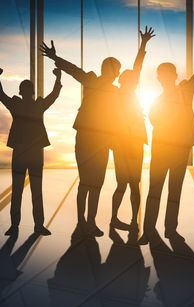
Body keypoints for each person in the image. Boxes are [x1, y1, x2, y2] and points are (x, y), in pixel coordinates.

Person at [40, 40, 121, 237]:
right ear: (109, 70)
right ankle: (83, 221)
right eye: (117, 70)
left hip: (100, 141)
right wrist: (55, 58)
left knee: (95, 183)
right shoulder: (93, 81)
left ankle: (88, 221)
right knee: (87, 182)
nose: (118, 74)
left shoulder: (114, 91)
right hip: (87, 139)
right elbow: (74, 70)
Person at [138, 37, 194, 244]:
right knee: (155, 189)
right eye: (160, 75)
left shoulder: (185, 90)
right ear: (159, 78)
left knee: (174, 190)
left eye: (166, 74)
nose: (163, 77)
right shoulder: (158, 100)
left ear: (174, 76)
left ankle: (170, 229)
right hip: (162, 147)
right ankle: (150, 230)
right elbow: (154, 120)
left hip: (179, 148)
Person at [0, 67, 62, 236]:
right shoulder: (37, 105)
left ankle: (16, 226)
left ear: (22, 91)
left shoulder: (17, 104)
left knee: (18, 191)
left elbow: (1, 95)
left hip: (22, 152)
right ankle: (36, 226)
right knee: (34, 191)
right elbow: (54, 96)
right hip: (33, 153)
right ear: (31, 92)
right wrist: (58, 79)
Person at [110, 26, 154, 232]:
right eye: (130, 79)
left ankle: (132, 221)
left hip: (134, 143)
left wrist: (144, 44)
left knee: (133, 184)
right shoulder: (117, 95)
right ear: (123, 81)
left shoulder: (128, 94)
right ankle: (116, 219)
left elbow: (137, 67)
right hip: (123, 144)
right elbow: (136, 68)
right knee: (124, 184)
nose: (134, 80)